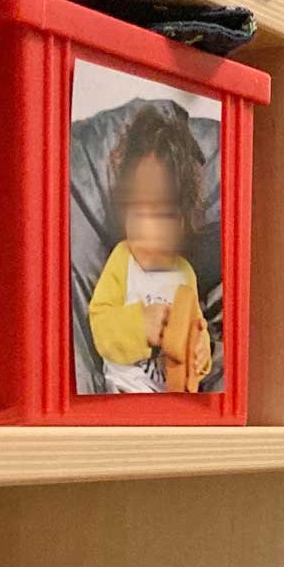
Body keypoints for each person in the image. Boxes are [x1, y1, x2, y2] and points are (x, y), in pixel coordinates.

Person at [87, 101, 212, 393]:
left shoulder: (185, 273)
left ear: (181, 220)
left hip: (170, 401)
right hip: (122, 393)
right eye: (137, 211)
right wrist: (138, 326)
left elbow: (198, 326)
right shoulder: (123, 259)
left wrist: (201, 353)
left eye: (160, 214)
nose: (146, 229)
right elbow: (99, 322)